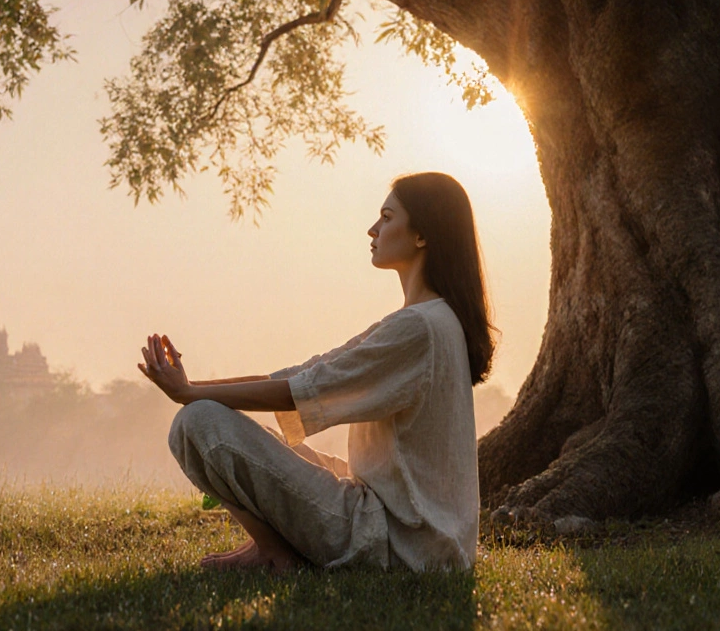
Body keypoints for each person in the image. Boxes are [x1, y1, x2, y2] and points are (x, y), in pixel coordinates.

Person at [138, 172, 495, 572]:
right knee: (210, 416)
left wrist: (189, 396)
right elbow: (299, 376)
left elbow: (298, 392)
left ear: (422, 236)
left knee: (198, 421)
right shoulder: (428, 320)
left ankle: (273, 554)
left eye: (387, 217)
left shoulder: (420, 328)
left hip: (400, 543)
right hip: (403, 527)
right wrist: (190, 386)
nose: (373, 229)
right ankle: (272, 549)